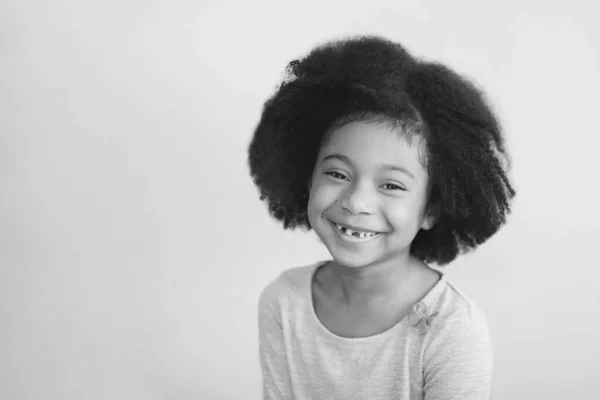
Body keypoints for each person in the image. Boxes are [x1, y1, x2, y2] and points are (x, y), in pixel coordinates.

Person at [248, 35, 515, 400]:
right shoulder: (283, 301)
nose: (357, 202)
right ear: (307, 177)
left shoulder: (451, 329)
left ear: (432, 209)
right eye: (338, 174)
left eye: (390, 185)